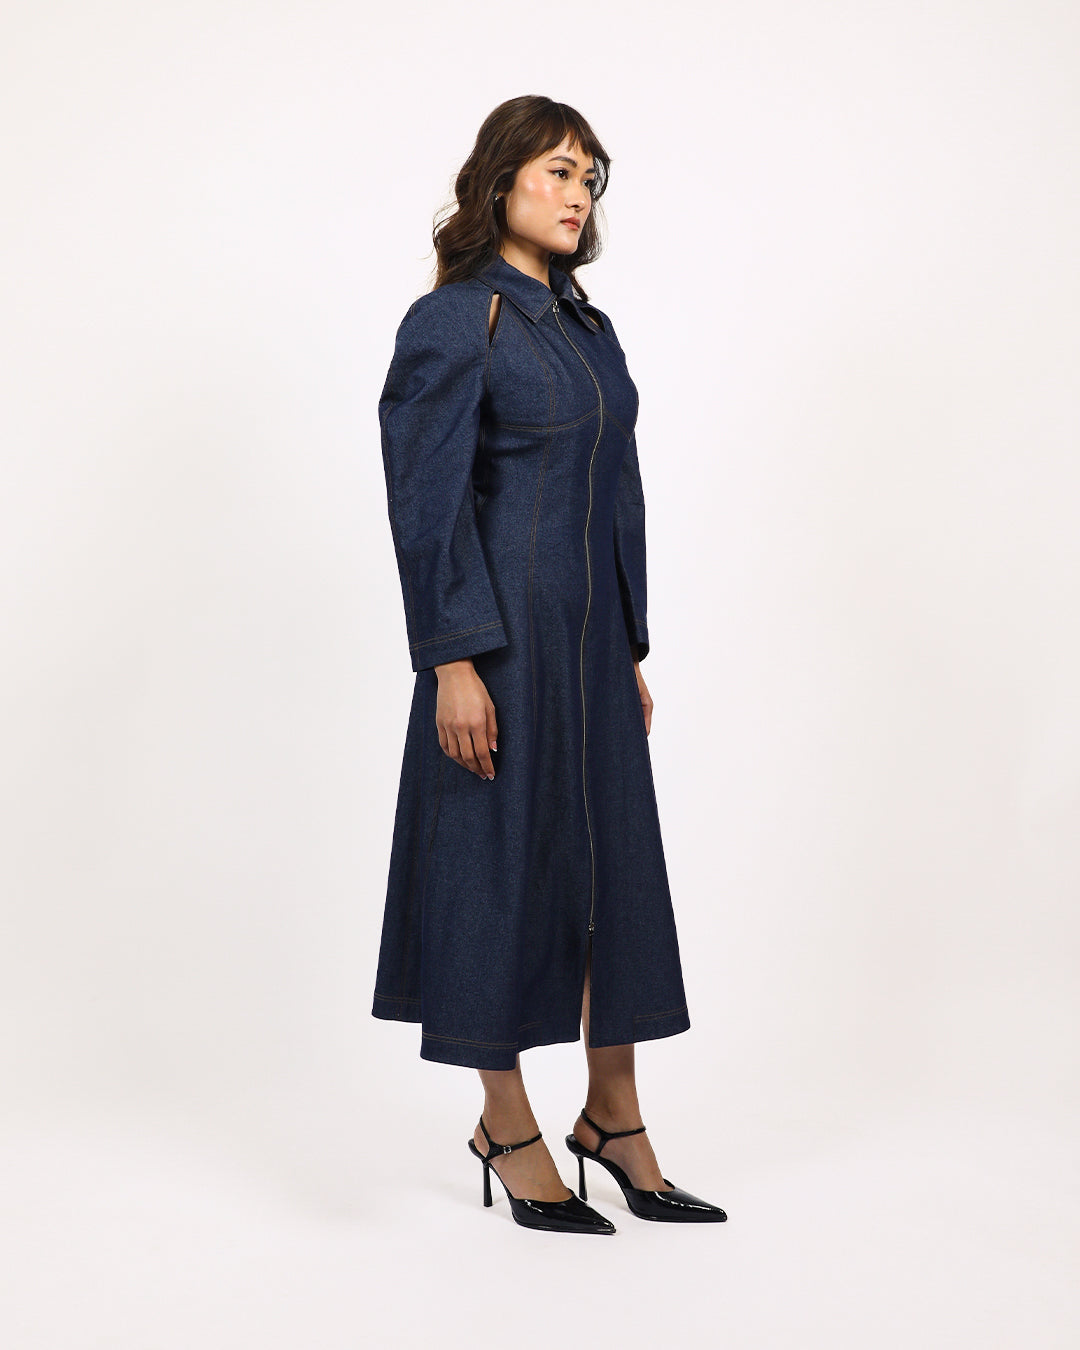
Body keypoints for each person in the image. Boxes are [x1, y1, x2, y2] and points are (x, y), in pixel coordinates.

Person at [372, 96, 726, 1233]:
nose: (579, 195)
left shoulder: (586, 328)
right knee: (496, 866)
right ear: (500, 184)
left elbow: (618, 494)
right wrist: (453, 661)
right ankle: (507, 1122)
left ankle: (613, 1117)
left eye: (591, 178)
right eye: (559, 171)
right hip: (501, 644)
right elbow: (426, 504)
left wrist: (627, 644)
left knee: (613, 870)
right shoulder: (458, 319)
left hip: (592, 647)